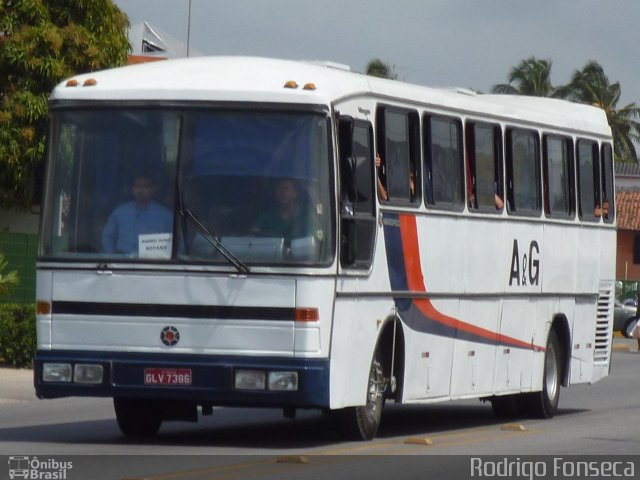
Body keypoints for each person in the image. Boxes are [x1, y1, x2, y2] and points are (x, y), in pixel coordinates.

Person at [102, 175, 172, 254]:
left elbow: (178, 241)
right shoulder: (120, 212)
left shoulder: (165, 215)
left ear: (153, 189)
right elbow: (107, 237)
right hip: (122, 261)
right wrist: (113, 257)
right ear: (132, 189)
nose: (140, 190)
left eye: (145, 186)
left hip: (152, 263)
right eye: (137, 186)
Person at [253, 178, 318, 239]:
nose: (283, 192)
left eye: (286, 188)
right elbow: (254, 234)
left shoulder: (305, 215)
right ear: (275, 193)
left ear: (295, 193)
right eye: (279, 188)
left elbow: (314, 239)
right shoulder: (267, 216)